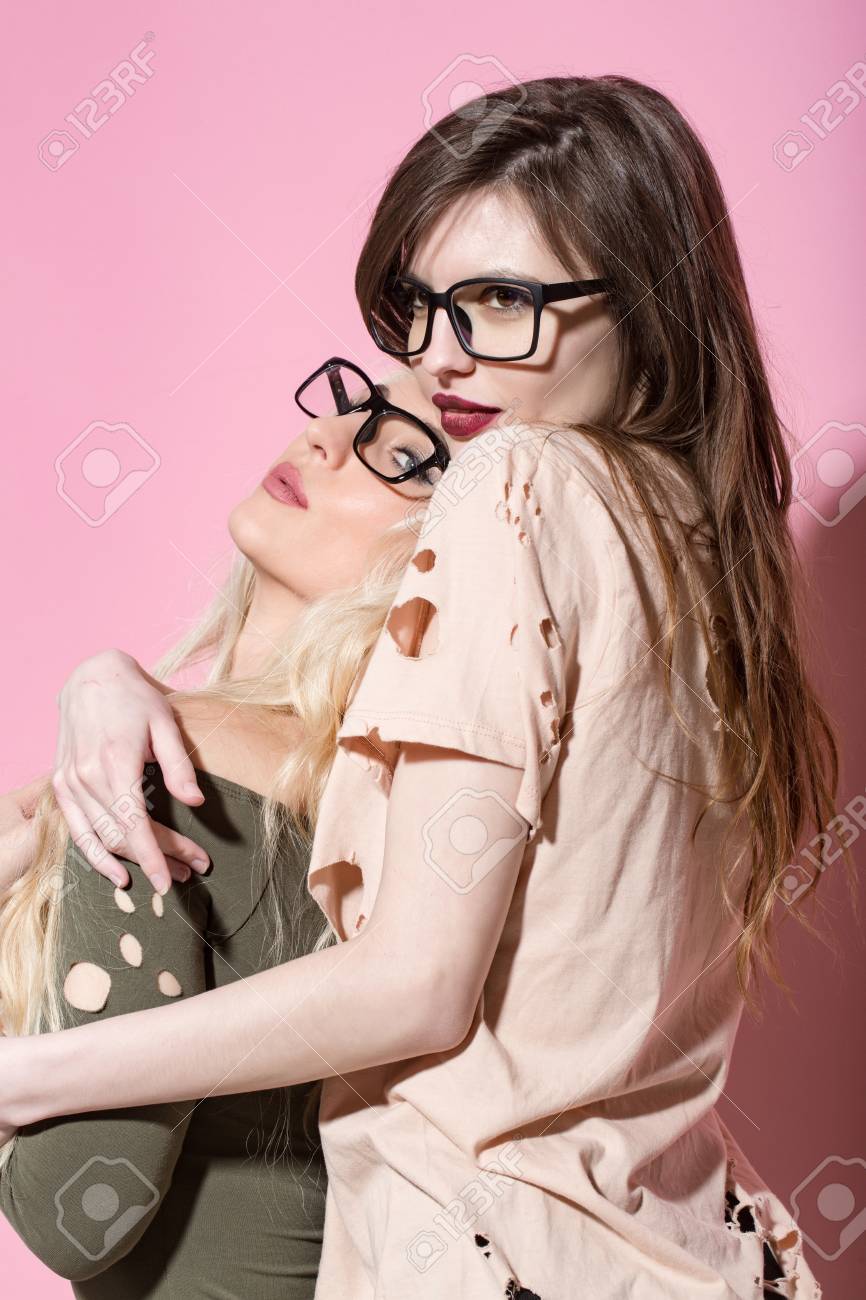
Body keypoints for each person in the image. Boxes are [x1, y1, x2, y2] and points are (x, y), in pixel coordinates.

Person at [1, 75, 843, 1297]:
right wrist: (108, 681)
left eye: (501, 302)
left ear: (646, 307)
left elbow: (415, 984)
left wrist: (20, 1079)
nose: (439, 357)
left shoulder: (515, 483)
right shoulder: (704, 567)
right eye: (426, 303)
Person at [0, 361, 457, 1296]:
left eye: (405, 456)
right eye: (355, 406)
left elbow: (77, 1215)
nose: (326, 438)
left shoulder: (171, 760)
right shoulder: (375, 803)